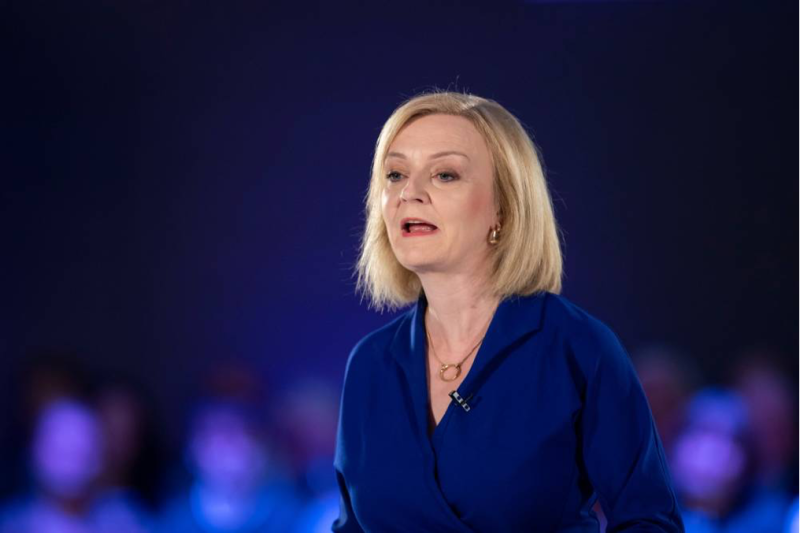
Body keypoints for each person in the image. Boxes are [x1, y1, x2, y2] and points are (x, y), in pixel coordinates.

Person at [332, 91, 684, 532]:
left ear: (504, 206)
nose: (409, 193)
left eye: (444, 174)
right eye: (395, 173)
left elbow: (649, 521)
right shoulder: (369, 363)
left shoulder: (577, 348)